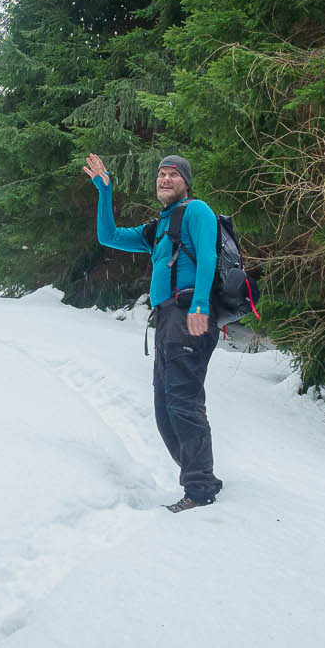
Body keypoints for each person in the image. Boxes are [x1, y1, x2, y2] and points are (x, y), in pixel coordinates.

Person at [84, 151, 224, 512]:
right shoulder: (161, 226)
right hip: (165, 321)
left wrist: (201, 305)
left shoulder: (197, 211)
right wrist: (104, 191)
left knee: (183, 400)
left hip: (188, 313)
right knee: (165, 408)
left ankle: (200, 488)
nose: (165, 179)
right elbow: (109, 236)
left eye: (173, 174)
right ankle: (199, 473)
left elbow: (207, 257)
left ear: (186, 182)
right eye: (161, 174)